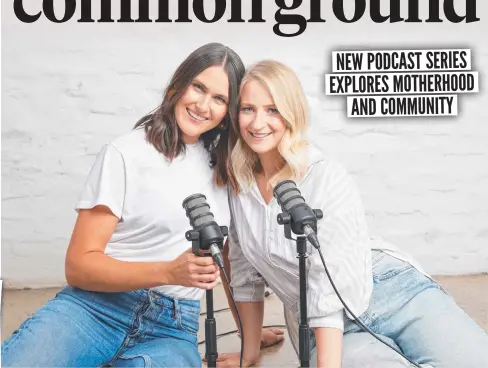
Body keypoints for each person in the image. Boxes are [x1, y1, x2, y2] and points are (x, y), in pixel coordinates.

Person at [217, 60, 488, 368]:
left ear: (292, 114)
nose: (257, 122)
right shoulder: (239, 186)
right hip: (326, 325)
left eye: (272, 109)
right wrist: (248, 352)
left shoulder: (325, 176)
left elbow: (328, 276)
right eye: (248, 109)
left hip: (392, 290)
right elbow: (243, 273)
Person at [2, 42, 249, 368]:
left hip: (172, 328)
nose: (203, 105)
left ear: (228, 112)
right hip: (95, 308)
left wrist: (251, 337)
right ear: (178, 85)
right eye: (198, 87)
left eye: (219, 99)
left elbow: (227, 260)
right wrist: (169, 271)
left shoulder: (226, 169)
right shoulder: (125, 154)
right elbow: (78, 265)